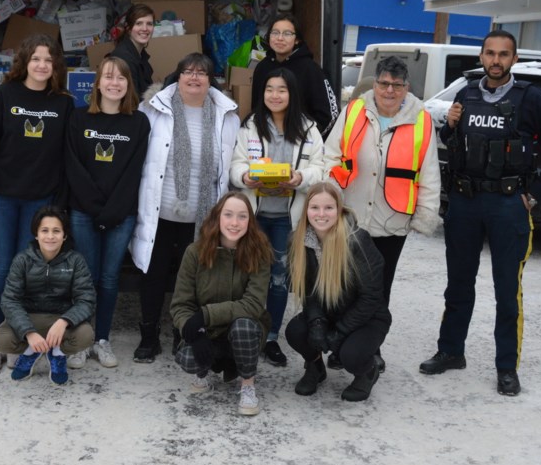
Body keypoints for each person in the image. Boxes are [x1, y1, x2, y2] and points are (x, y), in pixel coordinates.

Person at [420, 30, 541, 396]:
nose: (496, 60)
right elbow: (450, 143)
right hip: (466, 202)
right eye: (490, 53)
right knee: (458, 284)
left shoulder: (532, 100)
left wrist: (532, 195)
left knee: (507, 290)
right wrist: (451, 125)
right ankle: (451, 351)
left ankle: (506, 367)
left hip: (508, 205)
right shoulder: (465, 94)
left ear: (514, 59)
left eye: (504, 54)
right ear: (481, 56)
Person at [324, 55, 440, 371]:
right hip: (351, 217)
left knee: (379, 290)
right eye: (383, 83)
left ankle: (371, 349)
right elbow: (330, 156)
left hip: (393, 220)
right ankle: (340, 346)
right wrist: (328, 201)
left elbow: (429, 173)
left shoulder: (423, 121)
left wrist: (426, 214)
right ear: (374, 83)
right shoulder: (353, 112)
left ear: (407, 88)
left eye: (396, 85)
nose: (389, 91)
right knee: (344, 284)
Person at [131, 52, 240, 363]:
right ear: (177, 77)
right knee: (152, 275)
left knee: (190, 279)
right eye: (188, 71)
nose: (194, 77)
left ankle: (183, 335)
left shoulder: (227, 116)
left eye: (202, 73)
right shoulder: (153, 110)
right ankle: (149, 335)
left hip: (202, 217)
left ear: (210, 80)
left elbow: (231, 167)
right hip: (160, 212)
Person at [0, 34, 76, 336]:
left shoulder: (63, 103)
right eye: (36, 59)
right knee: (4, 268)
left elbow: (67, 158)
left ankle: (21, 333)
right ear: (25, 62)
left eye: (48, 60)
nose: (42, 65)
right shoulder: (5, 95)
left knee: (27, 270)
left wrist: (59, 204)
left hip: (41, 202)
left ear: (56, 65)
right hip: (2, 199)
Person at [230, 67, 326, 368]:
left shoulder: (309, 128)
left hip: (287, 217)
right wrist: (245, 176)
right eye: (269, 89)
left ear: (292, 94)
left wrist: (301, 177)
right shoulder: (251, 126)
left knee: (278, 279)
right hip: (253, 217)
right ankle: (243, 331)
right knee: (246, 275)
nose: (274, 95)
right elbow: (235, 163)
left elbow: (322, 168)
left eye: (281, 90)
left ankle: (270, 337)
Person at [65, 56, 150, 369]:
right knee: (85, 277)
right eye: (109, 77)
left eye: (121, 78)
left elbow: (133, 171)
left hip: (121, 213)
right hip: (84, 212)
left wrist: (112, 210)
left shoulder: (138, 123)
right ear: (97, 82)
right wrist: (94, 207)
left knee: (109, 278)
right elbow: (73, 167)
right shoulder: (78, 119)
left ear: (129, 85)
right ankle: (81, 340)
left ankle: (101, 339)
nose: (115, 83)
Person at [284, 182, 391, 401]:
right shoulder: (298, 240)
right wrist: (317, 323)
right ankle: (315, 368)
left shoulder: (357, 241)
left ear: (339, 209)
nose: (321, 214)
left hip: (366, 318)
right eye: (314, 208)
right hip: (328, 313)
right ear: (306, 211)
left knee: (350, 355)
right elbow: (308, 290)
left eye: (328, 208)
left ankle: (367, 373)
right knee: (295, 331)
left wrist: (340, 332)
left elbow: (371, 297)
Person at [169, 193, 272, 416]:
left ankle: (247, 385)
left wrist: (205, 314)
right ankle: (205, 372)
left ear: (250, 222)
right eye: (228, 215)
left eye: (242, 216)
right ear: (217, 217)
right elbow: (180, 304)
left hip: (243, 327)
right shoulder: (195, 252)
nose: (234, 223)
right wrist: (197, 333)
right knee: (187, 358)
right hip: (208, 330)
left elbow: (253, 304)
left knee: (243, 327)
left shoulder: (259, 253)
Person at [0, 206, 96, 385]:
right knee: (1, 340)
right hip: (29, 317)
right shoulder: (22, 260)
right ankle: (32, 350)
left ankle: (56, 353)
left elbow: (87, 300)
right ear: (36, 234)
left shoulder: (76, 260)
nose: (50, 236)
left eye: (56, 231)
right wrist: (29, 332)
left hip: (60, 319)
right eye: (44, 230)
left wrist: (64, 322)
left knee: (86, 335)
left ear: (65, 235)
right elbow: (9, 300)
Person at [251, 12, 340, 137]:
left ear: (297, 39)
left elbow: (330, 115)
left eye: (287, 34)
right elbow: (256, 110)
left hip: (302, 143)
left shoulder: (310, 69)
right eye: (275, 33)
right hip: (268, 143)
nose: (280, 38)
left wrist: (307, 140)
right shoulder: (262, 68)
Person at [108, 3, 155, 99]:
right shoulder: (123, 57)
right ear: (128, 28)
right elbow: (131, 100)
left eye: (149, 24)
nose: (145, 29)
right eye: (139, 23)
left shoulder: (140, 54)